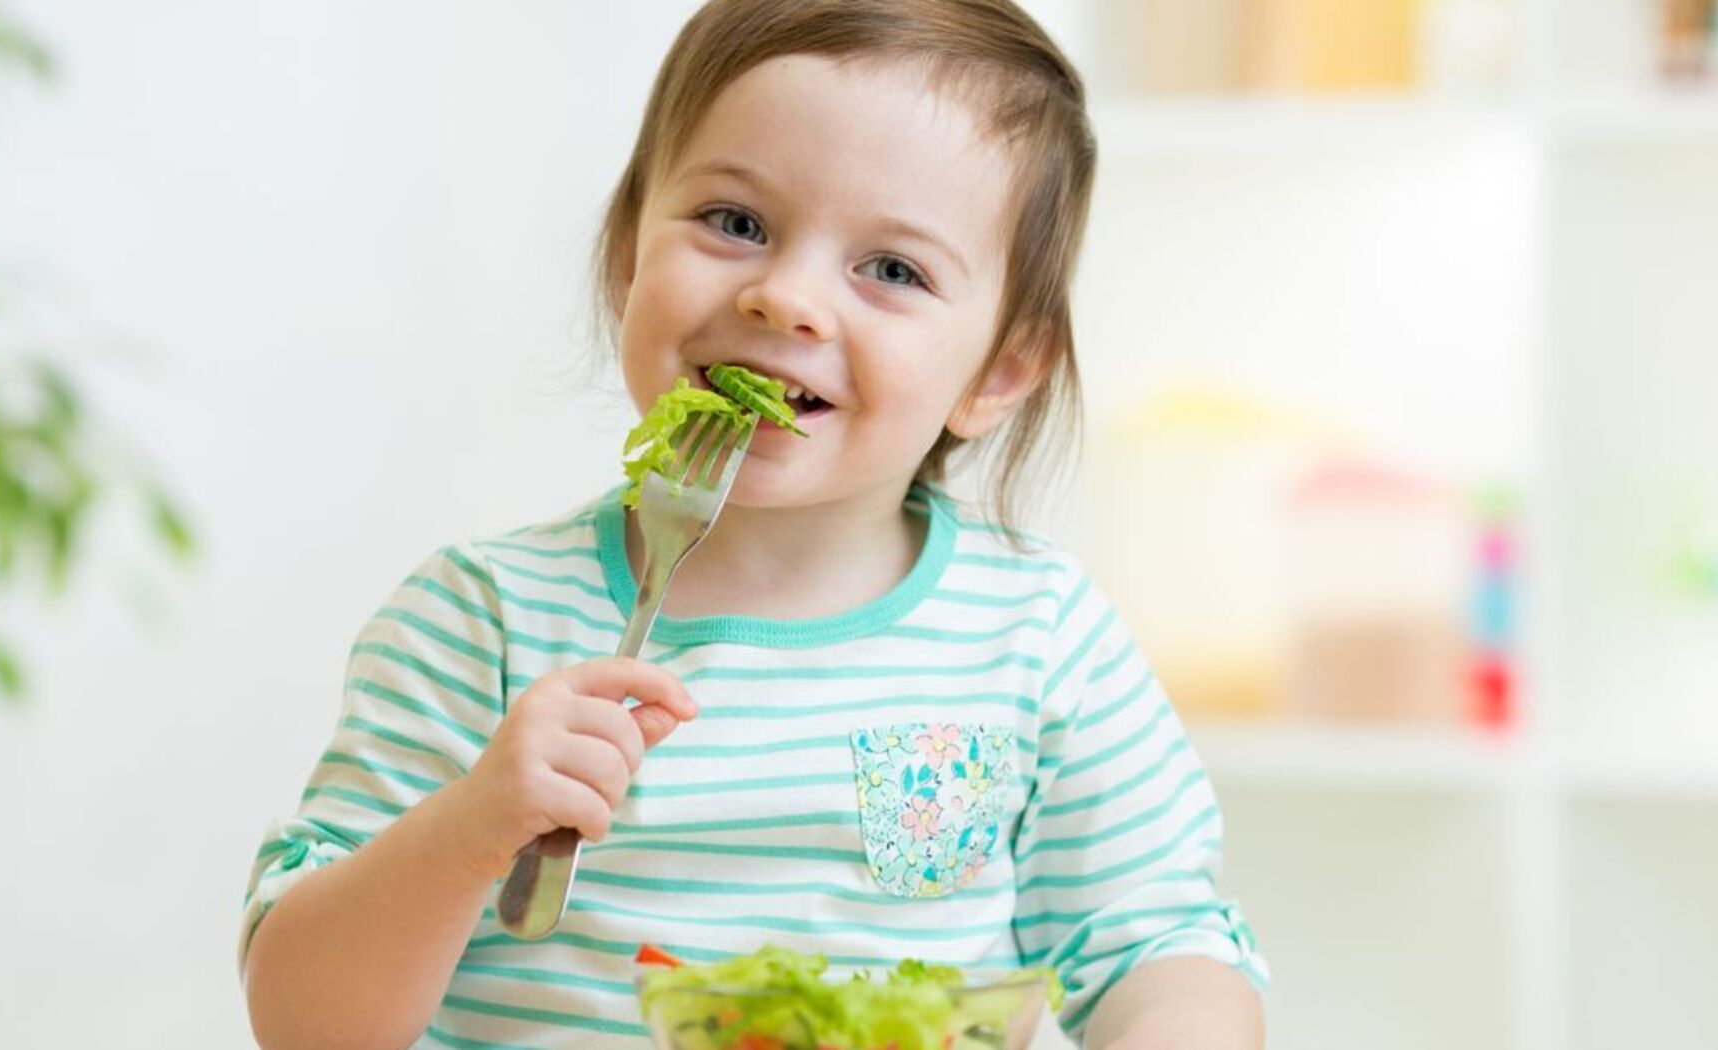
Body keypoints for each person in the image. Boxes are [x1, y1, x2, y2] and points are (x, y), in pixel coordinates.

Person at [240, 2, 1267, 1047]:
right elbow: (305, 1022)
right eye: (736, 223)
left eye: (893, 269)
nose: (787, 298)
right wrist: (469, 828)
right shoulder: (481, 621)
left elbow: (1159, 950)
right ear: (627, 256)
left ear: (999, 371)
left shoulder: (1038, 636)